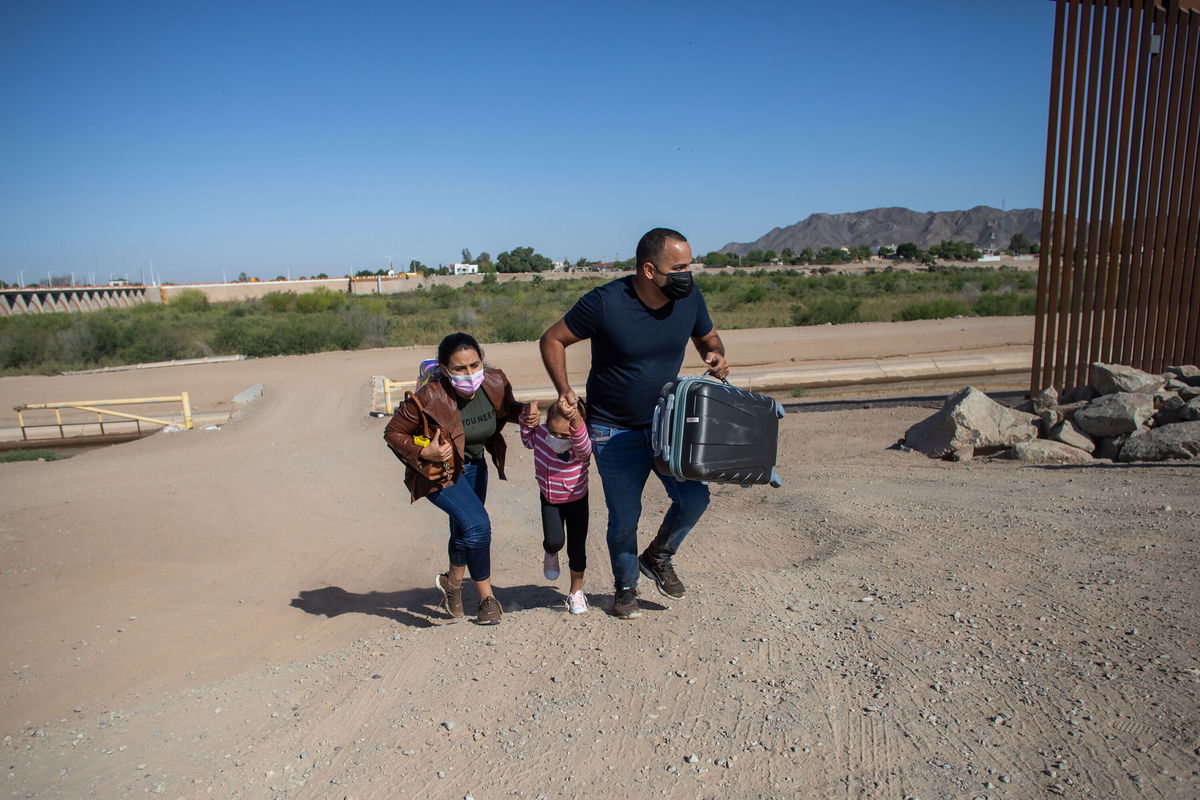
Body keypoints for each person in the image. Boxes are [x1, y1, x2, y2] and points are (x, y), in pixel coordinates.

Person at [538, 227, 730, 619]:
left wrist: (715, 356)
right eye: (678, 267)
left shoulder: (690, 297)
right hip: (613, 430)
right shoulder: (607, 302)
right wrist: (564, 390)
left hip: (670, 426)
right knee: (625, 517)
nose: (687, 274)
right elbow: (552, 339)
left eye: (689, 265)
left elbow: (709, 338)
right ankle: (624, 589)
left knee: (695, 498)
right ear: (648, 269)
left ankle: (659, 555)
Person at [384, 332, 533, 625]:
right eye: (460, 369)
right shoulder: (430, 395)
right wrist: (425, 451)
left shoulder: (494, 381)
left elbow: (507, 408)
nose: (470, 374)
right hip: (440, 472)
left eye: (475, 365)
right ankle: (487, 600)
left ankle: (452, 583)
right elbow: (392, 432)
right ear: (444, 369)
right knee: (478, 525)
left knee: (464, 529)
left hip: (475, 465)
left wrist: (525, 414)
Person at [519, 396, 593, 614]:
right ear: (546, 424)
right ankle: (550, 553)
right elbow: (527, 439)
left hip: (577, 500)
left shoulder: (580, 445)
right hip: (550, 499)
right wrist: (526, 417)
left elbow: (584, 448)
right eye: (554, 432)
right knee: (554, 541)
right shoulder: (541, 435)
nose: (559, 439)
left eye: (565, 435)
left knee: (577, 548)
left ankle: (575, 593)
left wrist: (577, 425)